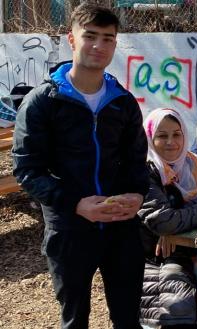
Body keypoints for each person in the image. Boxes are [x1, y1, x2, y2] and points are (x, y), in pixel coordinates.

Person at [12, 4, 149, 328]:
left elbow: (136, 161)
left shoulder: (123, 102)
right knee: (75, 320)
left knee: (128, 318)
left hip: (121, 227)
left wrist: (137, 196)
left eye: (108, 38)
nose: (99, 46)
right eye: (90, 36)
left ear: (115, 44)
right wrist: (75, 203)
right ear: (71, 40)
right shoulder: (43, 101)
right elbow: (27, 169)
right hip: (70, 229)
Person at [138, 108, 197, 328]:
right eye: (162, 136)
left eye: (177, 134)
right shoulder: (144, 171)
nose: (171, 142)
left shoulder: (192, 164)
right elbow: (163, 220)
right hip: (150, 256)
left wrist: (175, 226)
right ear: (150, 137)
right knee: (175, 306)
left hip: (186, 250)